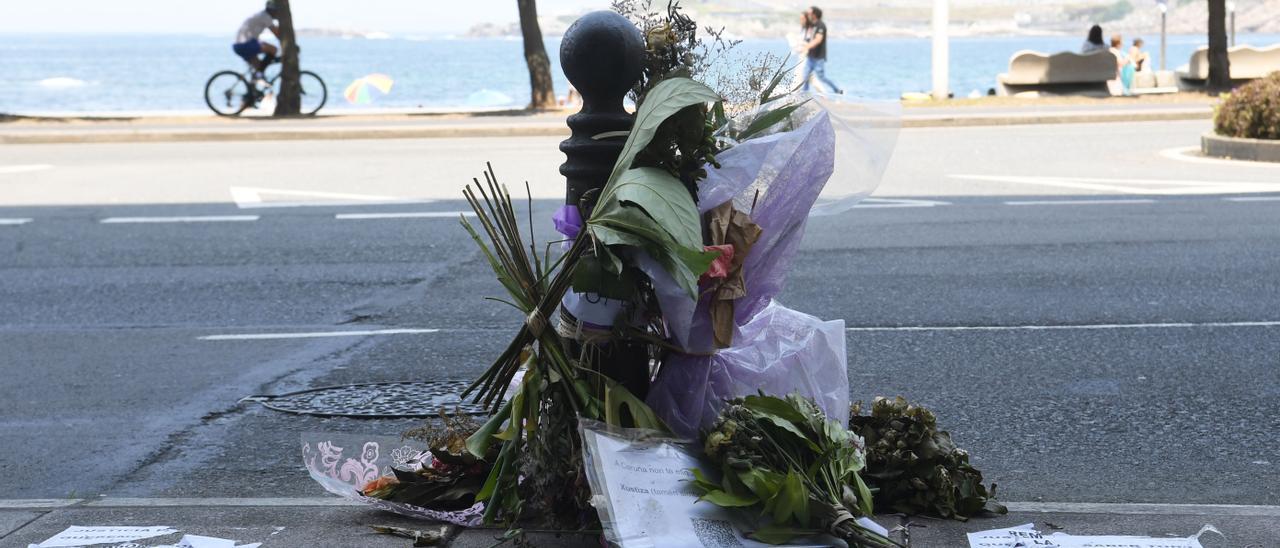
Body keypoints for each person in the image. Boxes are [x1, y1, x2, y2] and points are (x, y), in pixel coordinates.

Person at [800, 6, 843, 94]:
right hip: (810, 56)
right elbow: (804, 24)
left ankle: (837, 90)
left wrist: (807, 46)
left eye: (810, 13)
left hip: (818, 57)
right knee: (805, 75)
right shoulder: (812, 25)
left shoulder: (821, 25)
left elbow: (818, 39)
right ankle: (804, 94)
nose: (809, 15)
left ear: (814, 14)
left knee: (821, 77)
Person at [232, 1, 281, 74]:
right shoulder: (266, 17)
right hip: (245, 44)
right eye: (277, 11)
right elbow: (277, 33)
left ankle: (254, 81)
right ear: (272, 10)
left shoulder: (260, 14)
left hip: (238, 45)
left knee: (258, 67)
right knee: (273, 49)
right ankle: (259, 75)